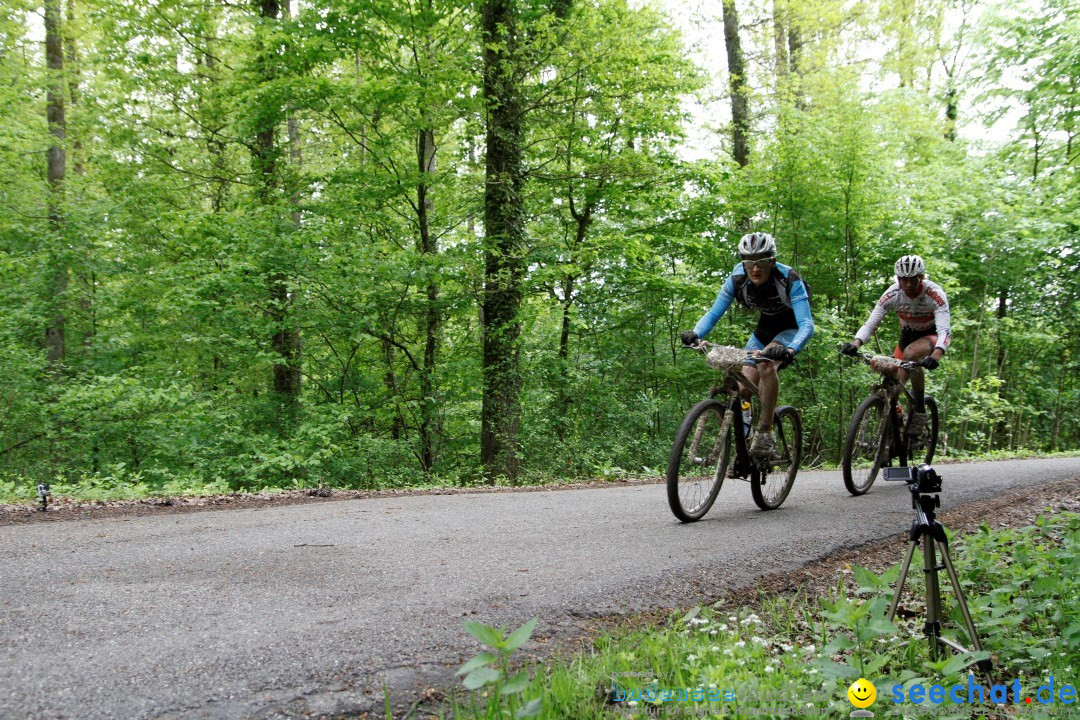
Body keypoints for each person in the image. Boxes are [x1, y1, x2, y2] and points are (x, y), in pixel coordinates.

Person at [681, 232, 814, 460]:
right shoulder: (737, 278)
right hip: (765, 329)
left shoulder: (789, 279)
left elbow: (807, 324)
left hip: (791, 329)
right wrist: (696, 333)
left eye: (761, 262)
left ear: (772, 261)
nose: (755, 268)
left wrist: (791, 349)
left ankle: (765, 434)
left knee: (765, 367)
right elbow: (714, 313)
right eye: (749, 262)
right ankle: (746, 438)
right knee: (743, 387)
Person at [840, 254, 951, 440]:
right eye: (903, 279)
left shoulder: (934, 294)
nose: (907, 284)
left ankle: (920, 412)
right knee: (888, 383)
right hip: (907, 335)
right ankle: (890, 437)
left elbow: (944, 330)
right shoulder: (892, 294)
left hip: (931, 335)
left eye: (912, 279)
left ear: (921, 277)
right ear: (898, 278)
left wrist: (936, 355)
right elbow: (871, 323)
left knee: (911, 354)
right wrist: (855, 343)